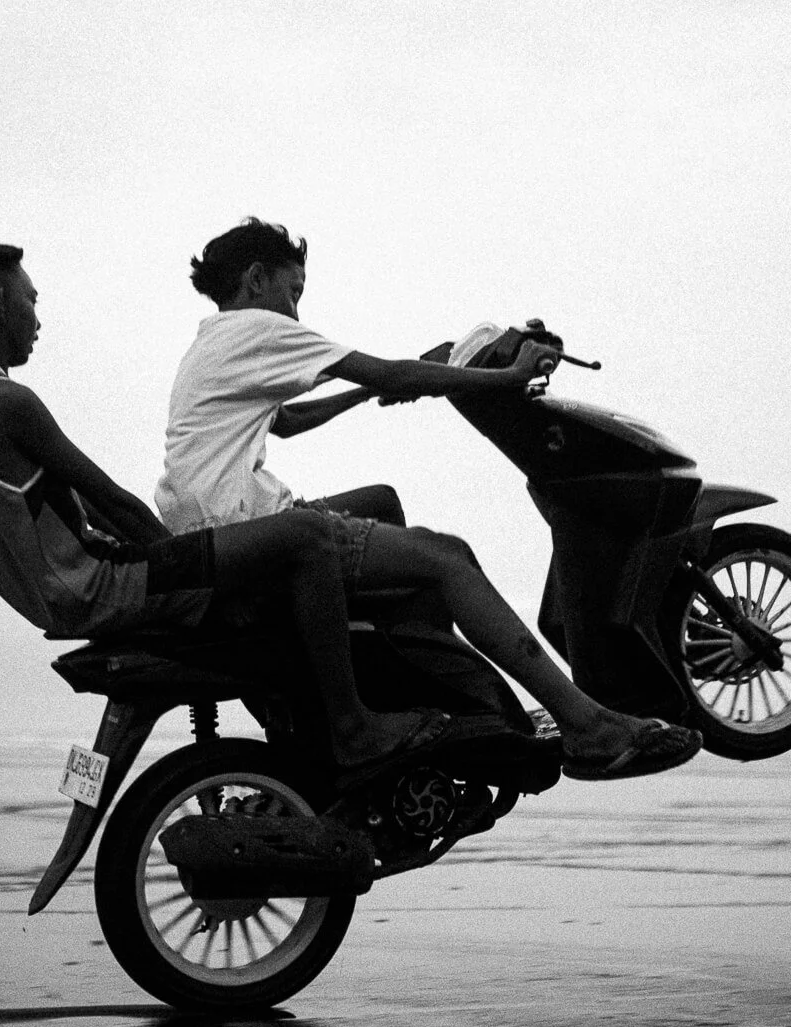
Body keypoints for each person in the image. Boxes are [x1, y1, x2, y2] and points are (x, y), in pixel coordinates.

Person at [156, 218, 701, 781]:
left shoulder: (213, 341)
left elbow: (287, 421)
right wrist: (509, 376)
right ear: (255, 278)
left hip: (215, 535)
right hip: (251, 532)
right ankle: (587, 725)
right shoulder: (258, 328)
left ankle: (429, 692)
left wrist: (365, 393)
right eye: (292, 291)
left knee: (381, 502)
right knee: (449, 558)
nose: (295, 310)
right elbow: (395, 372)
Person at [0, 239, 448, 770]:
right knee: (307, 536)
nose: (37, 319)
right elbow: (116, 504)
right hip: (107, 586)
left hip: (69, 600)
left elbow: (93, 508)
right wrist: (203, 578)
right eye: (30, 300)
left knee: (354, 513)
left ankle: (314, 716)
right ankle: (354, 726)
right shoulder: (7, 402)